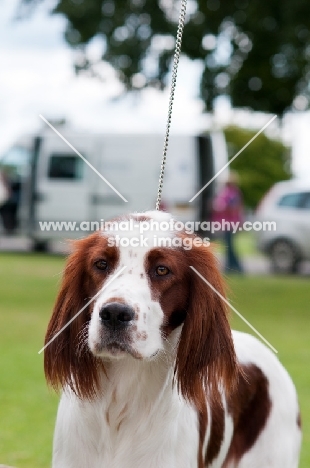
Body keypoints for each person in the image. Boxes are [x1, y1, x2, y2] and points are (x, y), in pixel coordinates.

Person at [212, 172, 244, 273]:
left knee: (229, 246)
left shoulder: (231, 193)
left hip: (229, 223)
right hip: (229, 223)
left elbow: (229, 208)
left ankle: (235, 267)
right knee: (229, 246)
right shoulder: (233, 193)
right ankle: (232, 266)